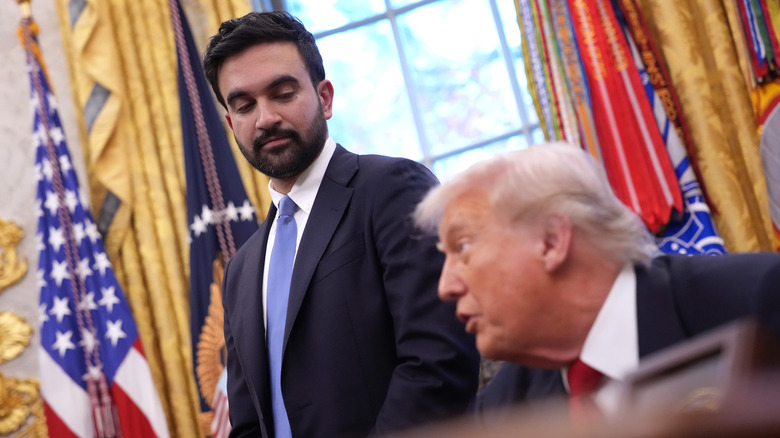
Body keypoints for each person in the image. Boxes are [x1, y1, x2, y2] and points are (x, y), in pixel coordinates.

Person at [202, 11, 480, 438]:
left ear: (325, 98)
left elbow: (439, 361)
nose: (265, 118)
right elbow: (248, 423)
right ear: (230, 124)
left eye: (282, 93)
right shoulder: (241, 272)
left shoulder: (391, 190)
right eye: (245, 106)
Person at [413, 142, 780, 417]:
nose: (445, 287)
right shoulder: (501, 410)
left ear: (551, 241)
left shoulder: (758, 301)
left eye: (462, 247)